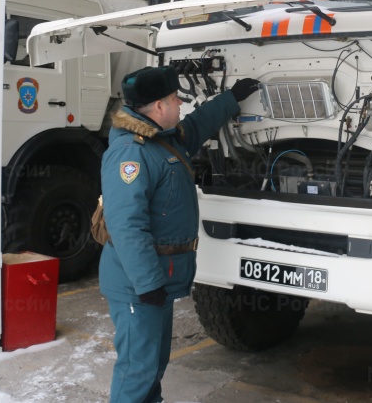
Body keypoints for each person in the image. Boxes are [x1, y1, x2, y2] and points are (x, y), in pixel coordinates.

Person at [99, 66, 259, 403]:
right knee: (136, 370)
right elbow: (127, 225)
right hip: (139, 285)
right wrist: (147, 283)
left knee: (153, 365)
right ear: (158, 107)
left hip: (158, 279)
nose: (180, 105)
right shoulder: (132, 152)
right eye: (175, 99)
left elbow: (195, 126)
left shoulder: (161, 139)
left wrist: (231, 99)